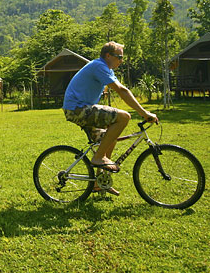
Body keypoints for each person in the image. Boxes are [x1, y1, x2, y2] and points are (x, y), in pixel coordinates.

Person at [62, 42, 158, 196]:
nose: (121, 60)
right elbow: (122, 90)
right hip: (77, 109)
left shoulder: (104, 68)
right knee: (123, 117)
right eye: (119, 57)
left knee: (110, 136)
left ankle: (99, 183)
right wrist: (144, 112)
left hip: (79, 108)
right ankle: (98, 157)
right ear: (108, 55)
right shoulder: (99, 66)